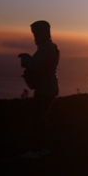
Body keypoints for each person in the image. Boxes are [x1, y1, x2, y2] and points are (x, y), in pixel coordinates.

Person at [18, 20, 60, 159]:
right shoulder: (48, 47)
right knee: (39, 117)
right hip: (47, 87)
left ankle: (38, 148)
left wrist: (26, 58)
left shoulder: (46, 48)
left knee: (37, 118)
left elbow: (36, 65)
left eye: (36, 32)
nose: (34, 36)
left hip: (45, 88)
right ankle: (41, 147)